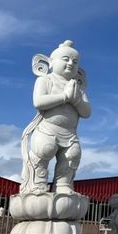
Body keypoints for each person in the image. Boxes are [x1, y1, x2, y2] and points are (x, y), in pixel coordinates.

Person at [21, 41, 91, 194]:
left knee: (72, 157)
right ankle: (37, 184)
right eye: (65, 59)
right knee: (43, 151)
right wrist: (64, 97)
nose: (71, 63)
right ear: (51, 62)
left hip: (70, 134)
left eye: (75, 61)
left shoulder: (77, 87)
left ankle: (63, 186)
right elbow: (38, 102)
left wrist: (77, 99)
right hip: (47, 129)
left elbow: (86, 112)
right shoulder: (45, 80)